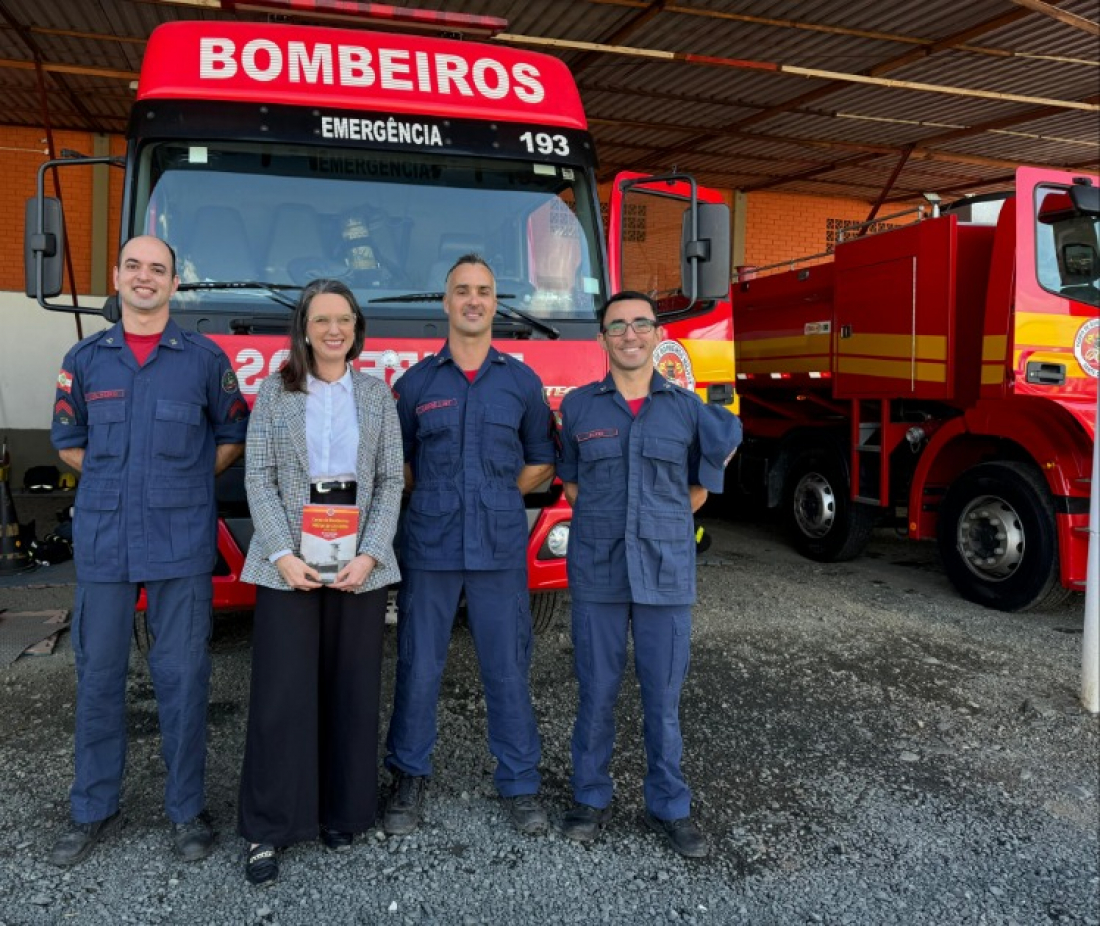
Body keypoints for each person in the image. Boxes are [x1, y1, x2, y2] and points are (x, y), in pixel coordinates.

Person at [48, 235, 248, 867]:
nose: (144, 277)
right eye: (133, 266)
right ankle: (92, 809)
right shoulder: (85, 360)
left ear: (173, 284)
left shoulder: (204, 360)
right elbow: (68, 440)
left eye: (157, 269)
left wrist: (182, 482)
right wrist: (115, 480)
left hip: (179, 541)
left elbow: (231, 435)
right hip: (106, 543)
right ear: (116, 276)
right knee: (99, 677)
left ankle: (187, 810)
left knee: (183, 679)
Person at [556, 291, 742, 859]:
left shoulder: (687, 409)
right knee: (596, 691)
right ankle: (589, 798)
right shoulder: (580, 408)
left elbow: (704, 482)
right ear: (603, 339)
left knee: (662, 697)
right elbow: (571, 484)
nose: (630, 335)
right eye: (618, 327)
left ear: (657, 335)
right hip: (599, 569)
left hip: (665, 571)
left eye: (640, 324)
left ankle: (670, 806)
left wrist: (660, 516)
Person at [237, 279, 404, 886]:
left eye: (344, 320)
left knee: (351, 690)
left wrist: (370, 553)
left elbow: (389, 481)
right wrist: (281, 553)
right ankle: (268, 827)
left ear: (356, 329)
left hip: (359, 565)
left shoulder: (375, 395)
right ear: (304, 328)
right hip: (289, 567)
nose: (334, 330)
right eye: (322, 319)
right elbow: (257, 476)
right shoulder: (274, 393)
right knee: (282, 696)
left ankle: (343, 812)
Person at [383, 254, 555, 837]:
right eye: (463, 291)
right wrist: (442, 494)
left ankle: (520, 781)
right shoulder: (415, 384)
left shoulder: (521, 382)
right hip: (429, 545)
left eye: (484, 290)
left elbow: (541, 461)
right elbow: (397, 463)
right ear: (446, 302)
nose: (474, 300)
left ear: (494, 301)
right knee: (418, 665)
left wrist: (491, 494)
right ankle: (409, 776)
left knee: (507, 667)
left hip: (499, 544)